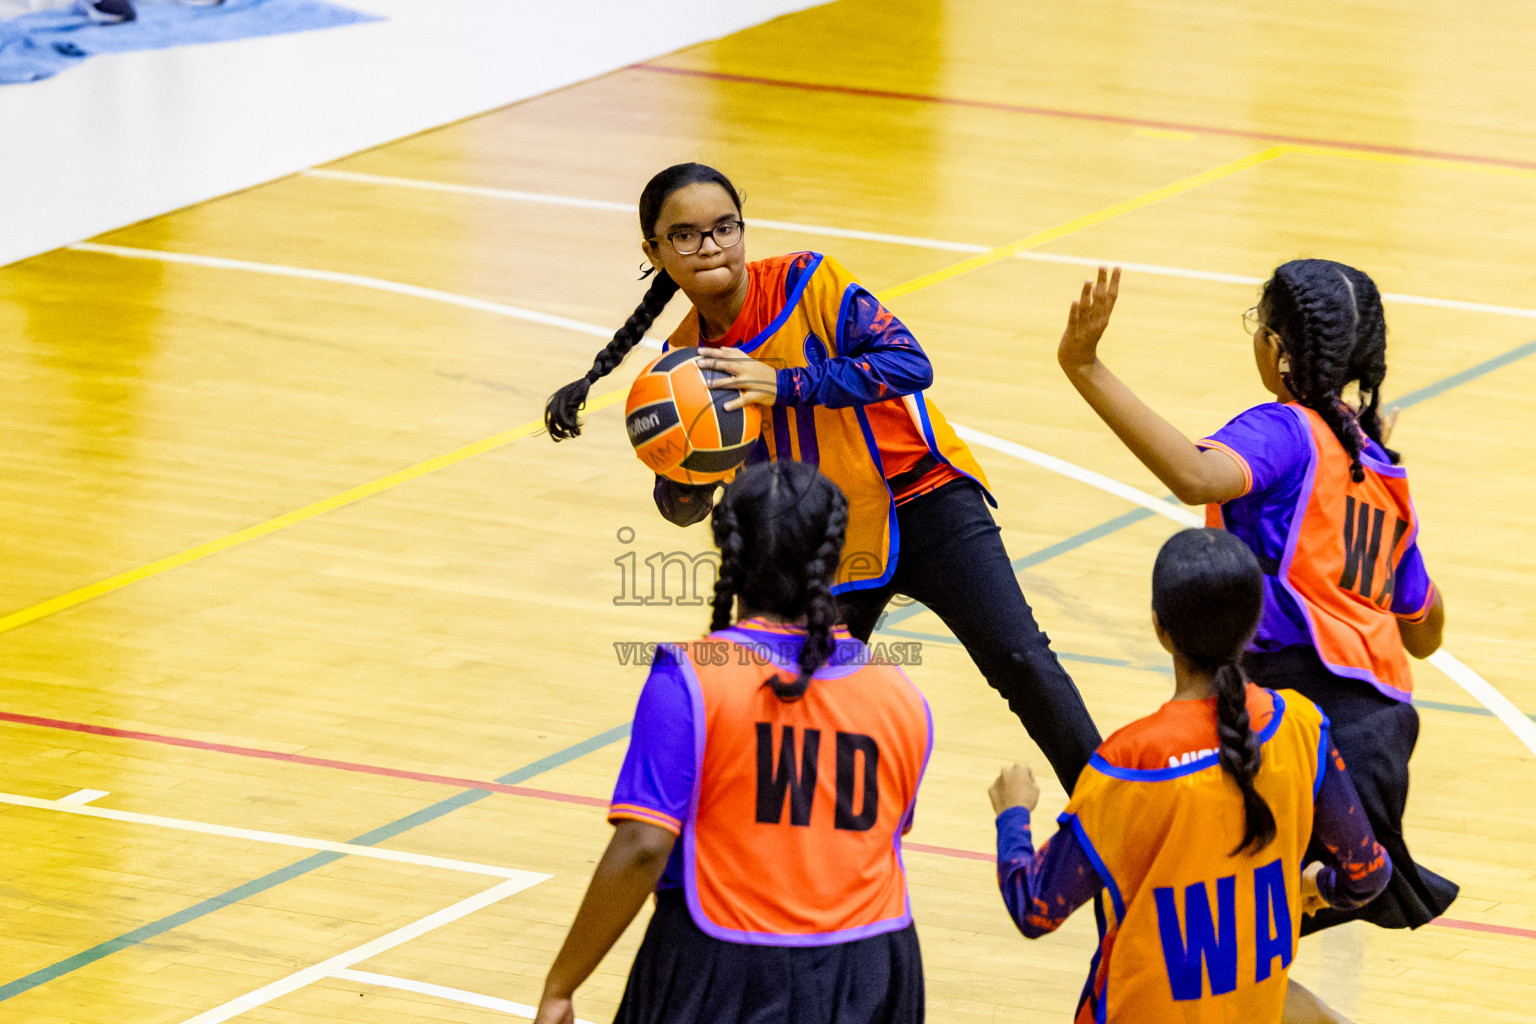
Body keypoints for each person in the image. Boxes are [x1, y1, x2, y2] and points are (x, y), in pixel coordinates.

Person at [544, 161, 1101, 791]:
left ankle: (1120, 817)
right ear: (654, 250)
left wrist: (784, 385)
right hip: (823, 543)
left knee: (1022, 661)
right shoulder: (679, 367)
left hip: (922, 498)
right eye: (685, 235)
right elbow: (680, 508)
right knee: (789, 704)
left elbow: (910, 362)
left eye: (725, 227)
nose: (710, 247)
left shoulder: (810, 281)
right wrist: (684, 468)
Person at [1052, 260, 1455, 941]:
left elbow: (1194, 474)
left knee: (1175, 934)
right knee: (1246, 958)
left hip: (1306, 729)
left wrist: (1084, 366)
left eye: (1259, 326)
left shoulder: (1286, 432)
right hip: (1378, 744)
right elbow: (1425, 631)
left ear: (1280, 350)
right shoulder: (1378, 466)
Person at [534, 461, 932, 1024]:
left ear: (729, 554)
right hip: (873, 970)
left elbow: (645, 846)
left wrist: (561, 984)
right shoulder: (901, 697)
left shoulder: (691, 680)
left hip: (726, 966)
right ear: (836, 559)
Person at [989, 527, 1391, 1024]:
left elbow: (1034, 907)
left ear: (1160, 628)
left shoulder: (1129, 764)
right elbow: (1369, 873)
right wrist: (1321, 886)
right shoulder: (1301, 726)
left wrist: (1013, 814)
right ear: (1254, 625)